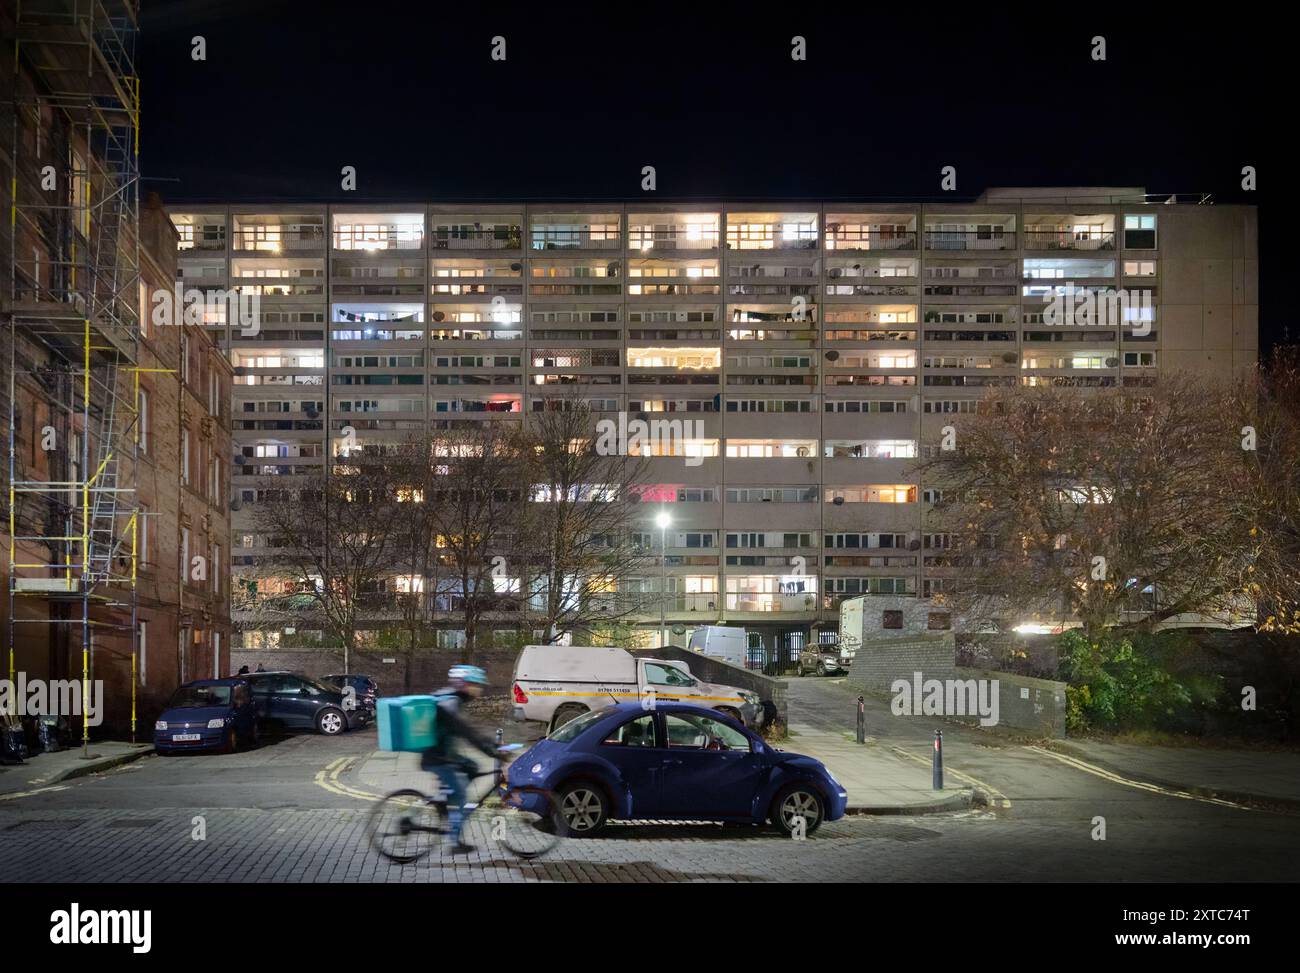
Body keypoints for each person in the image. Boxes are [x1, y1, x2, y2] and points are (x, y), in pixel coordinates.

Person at [420, 664, 503, 855]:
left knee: (472, 766)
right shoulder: (450, 703)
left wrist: (490, 745)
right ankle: (455, 842)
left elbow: (467, 730)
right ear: (464, 684)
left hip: (442, 753)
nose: (479, 689)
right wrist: (492, 752)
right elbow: (466, 732)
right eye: (476, 684)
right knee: (461, 796)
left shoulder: (450, 699)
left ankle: (443, 798)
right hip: (438, 758)